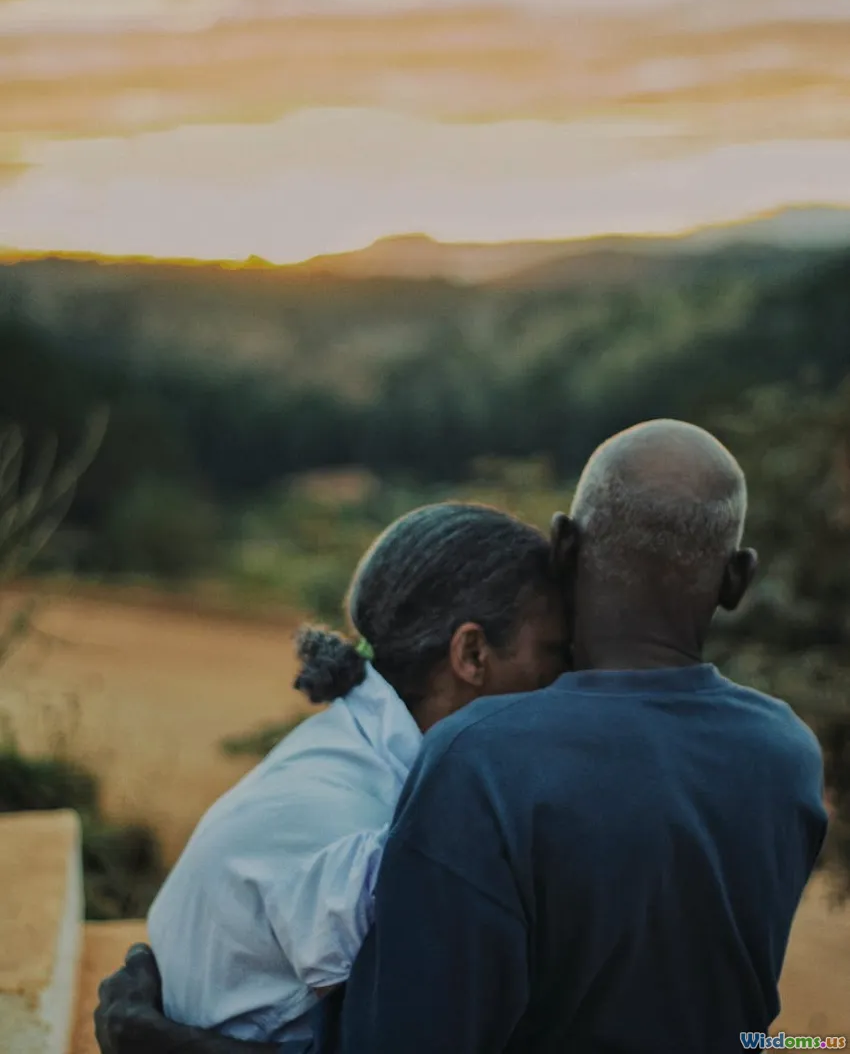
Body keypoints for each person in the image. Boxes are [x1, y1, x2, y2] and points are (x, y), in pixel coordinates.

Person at [95, 420, 829, 1054]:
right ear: (738, 579)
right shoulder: (788, 753)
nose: (557, 679)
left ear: (566, 546)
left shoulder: (484, 761)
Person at [135, 502, 569, 1050]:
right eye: (555, 652)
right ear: (473, 654)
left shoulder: (356, 759)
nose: (568, 679)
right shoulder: (358, 824)